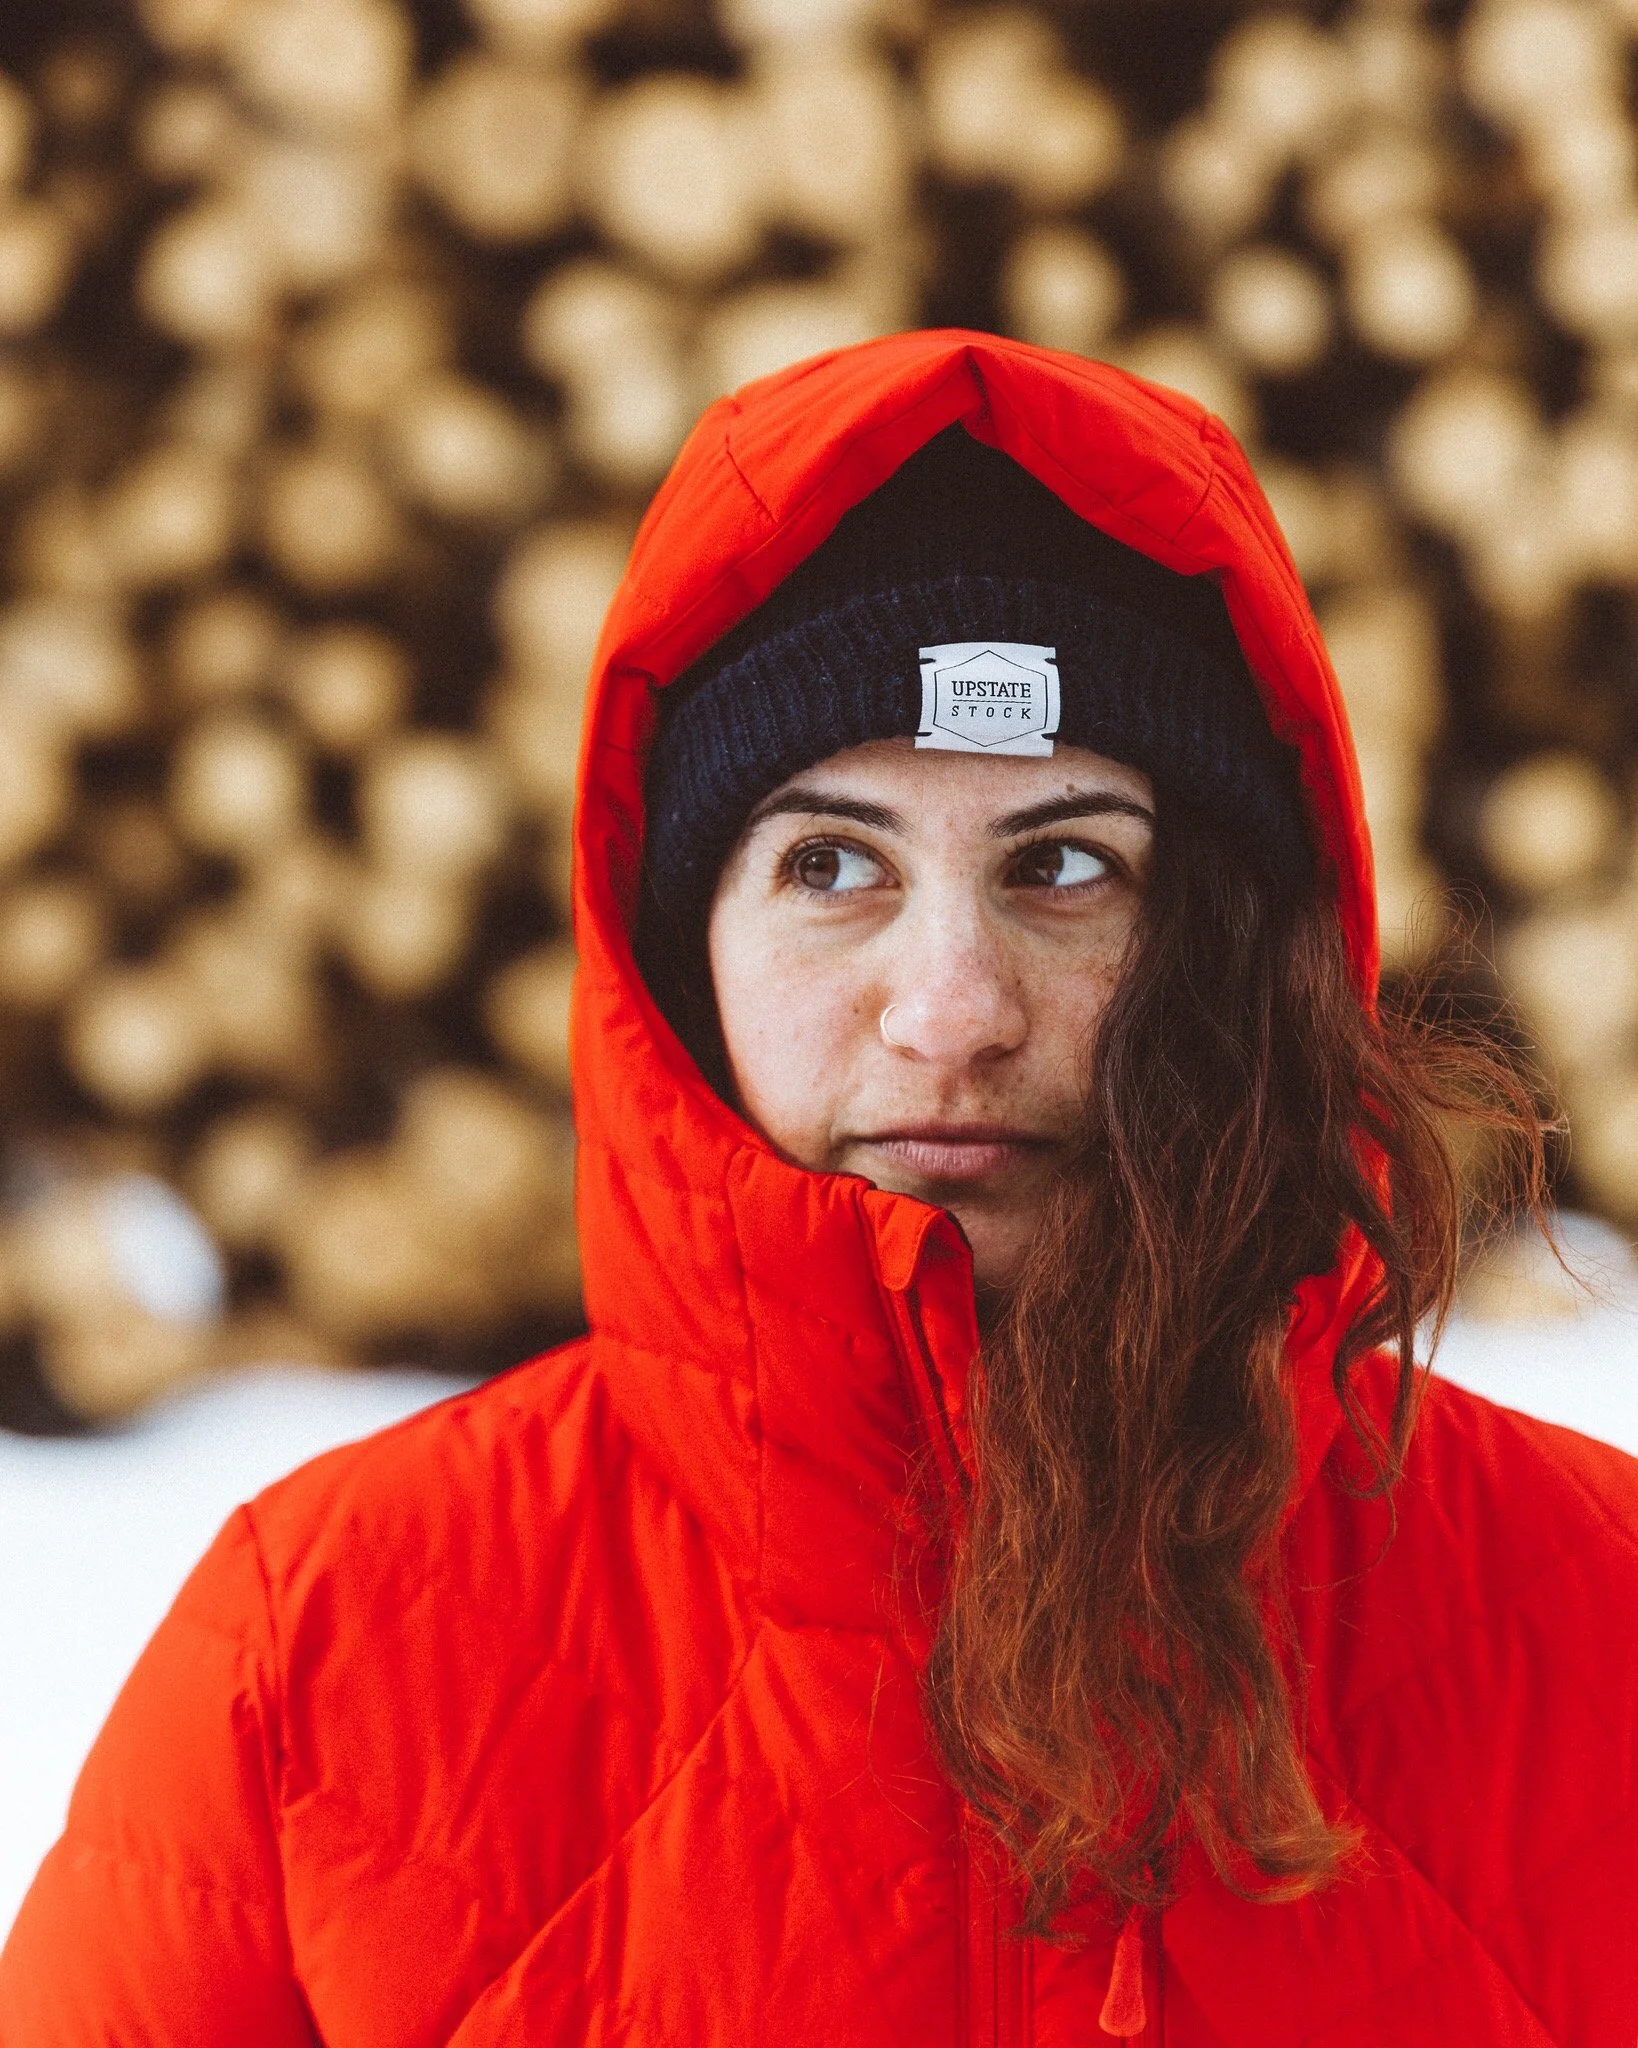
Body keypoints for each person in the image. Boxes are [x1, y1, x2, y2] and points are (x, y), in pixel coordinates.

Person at [3, 331, 1635, 2045]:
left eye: (1064, 864)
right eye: (830, 864)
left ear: (1232, 943)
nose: (950, 1009)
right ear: (678, 953)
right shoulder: (324, 1647)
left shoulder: (1592, 1624)